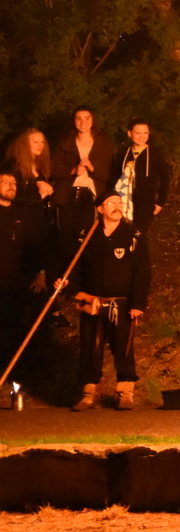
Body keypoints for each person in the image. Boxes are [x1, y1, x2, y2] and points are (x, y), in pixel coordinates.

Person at [65, 193, 148, 412]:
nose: (117, 207)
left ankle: (125, 392)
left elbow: (142, 272)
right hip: (93, 302)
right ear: (100, 209)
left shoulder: (133, 234)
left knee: (123, 348)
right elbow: (76, 267)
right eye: (112, 204)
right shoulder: (87, 235)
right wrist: (73, 291)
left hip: (122, 303)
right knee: (90, 348)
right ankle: (88, 394)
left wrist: (137, 303)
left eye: (120, 203)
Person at [0, 171, 53, 394]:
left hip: (19, 281)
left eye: (14, 183)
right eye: (5, 183)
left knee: (19, 330)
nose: (11, 186)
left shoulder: (23, 212)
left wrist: (41, 272)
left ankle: (18, 382)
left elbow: (38, 244)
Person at [51, 108, 114, 253]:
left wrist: (92, 168)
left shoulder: (104, 144)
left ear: (93, 121)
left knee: (89, 239)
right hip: (67, 195)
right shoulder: (64, 142)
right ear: (73, 121)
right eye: (78, 118)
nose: (83, 122)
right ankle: (67, 274)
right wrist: (72, 171)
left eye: (87, 118)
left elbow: (111, 175)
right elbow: (52, 169)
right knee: (66, 238)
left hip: (92, 196)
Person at [110, 119, 170, 235]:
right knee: (122, 234)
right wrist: (110, 199)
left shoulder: (155, 153)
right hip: (123, 201)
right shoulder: (124, 152)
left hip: (145, 203)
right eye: (138, 133)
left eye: (145, 133)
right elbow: (114, 176)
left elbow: (165, 177)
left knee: (139, 235)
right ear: (130, 133)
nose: (142, 137)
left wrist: (160, 201)